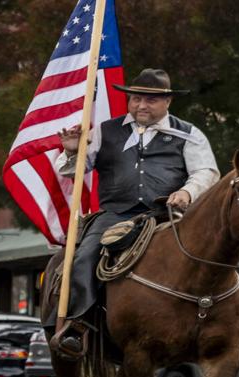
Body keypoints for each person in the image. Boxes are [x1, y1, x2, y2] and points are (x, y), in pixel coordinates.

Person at [49, 68, 220, 358]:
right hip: (115, 214)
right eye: (137, 98)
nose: (141, 105)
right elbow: (69, 172)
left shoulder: (189, 134)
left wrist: (187, 192)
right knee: (83, 256)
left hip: (168, 215)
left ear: (168, 102)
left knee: (235, 255)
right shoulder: (105, 130)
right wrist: (71, 152)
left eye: (151, 100)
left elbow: (207, 171)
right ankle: (78, 325)